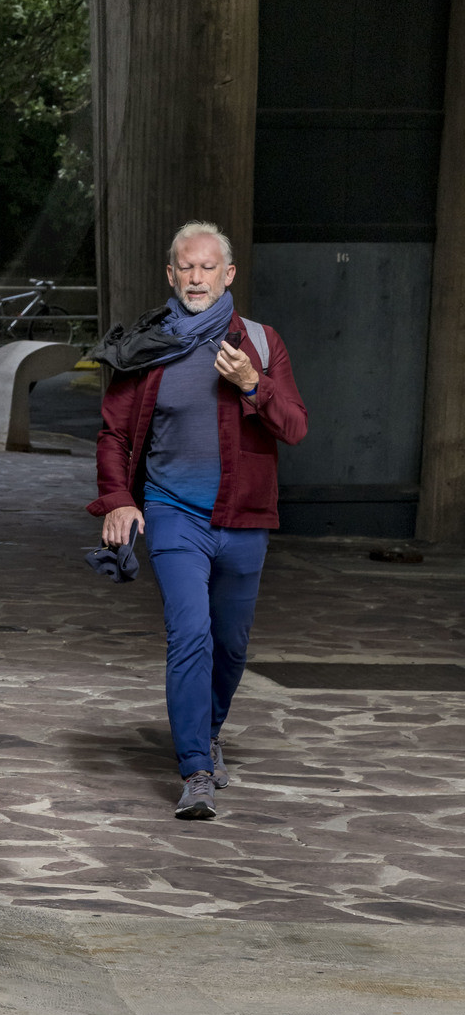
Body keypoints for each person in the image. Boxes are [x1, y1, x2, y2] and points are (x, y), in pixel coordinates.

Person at [92, 221, 308, 819]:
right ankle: (196, 771)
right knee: (190, 634)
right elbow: (113, 433)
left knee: (231, 646)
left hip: (245, 519)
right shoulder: (144, 347)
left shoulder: (261, 344)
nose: (196, 277)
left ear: (228, 275)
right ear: (170, 274)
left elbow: (295, 425)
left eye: (207, 267)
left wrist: (251, 385)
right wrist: (119, 499)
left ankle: (208, 730)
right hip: (172, 512)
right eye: (185, 267)